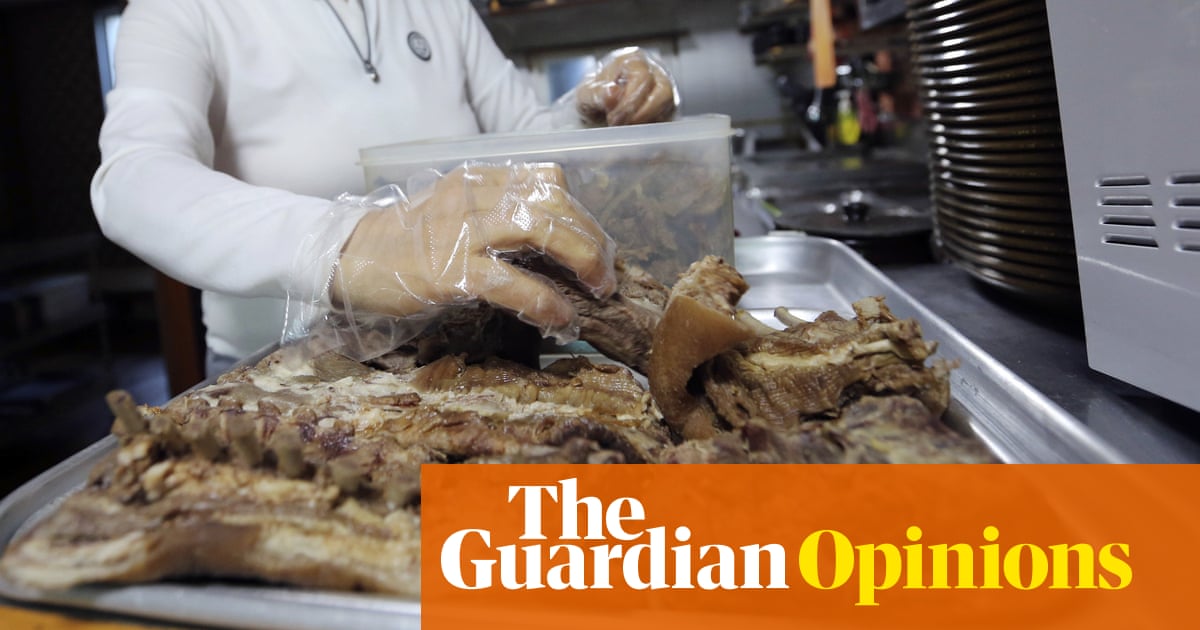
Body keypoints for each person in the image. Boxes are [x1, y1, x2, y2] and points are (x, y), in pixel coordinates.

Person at [91, 0, 677, 377]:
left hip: (472, 358)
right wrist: (350, 240)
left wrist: (587, 115)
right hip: (290, 371)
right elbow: (134, 176)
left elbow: (518, 140)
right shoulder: (181, 10)